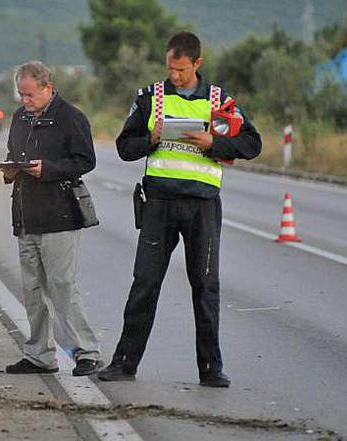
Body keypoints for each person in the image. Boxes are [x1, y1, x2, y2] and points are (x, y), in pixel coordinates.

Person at [98, 32, 261, 387]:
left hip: (202, 206)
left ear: (197, 63)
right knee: (145, 283)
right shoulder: (151, 97)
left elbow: (252, 143)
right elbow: (125, 147)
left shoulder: (219, 100)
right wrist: (151, 139)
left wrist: (214, 142)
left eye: (182, 70)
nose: (174, 75)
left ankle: (211, 368)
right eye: (170, 68)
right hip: (159, 205)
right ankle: (124, 364)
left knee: (206, 287)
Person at [1, 61, 101, 377]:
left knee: (62, 285)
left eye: (30, 94)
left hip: (59, 214)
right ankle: (39, 355)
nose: (25, 100)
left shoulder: (71, 118)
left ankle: (87, 352)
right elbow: (13, 153)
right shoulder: (19, 118)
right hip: (25, 213)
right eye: (21, 94)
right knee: (32, 289)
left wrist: (49, 169)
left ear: (48, 88)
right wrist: (9, 170)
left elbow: (85, 161)